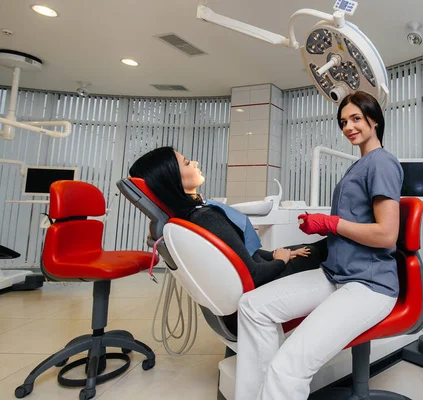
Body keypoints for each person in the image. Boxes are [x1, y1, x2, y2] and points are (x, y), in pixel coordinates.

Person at [235, 91, 404, 400]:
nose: (349, 127)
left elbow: (386, 235)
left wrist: (329, 223)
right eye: (343, 122)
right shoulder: (360, 164)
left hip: (369, 284)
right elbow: (351, 226)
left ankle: (278, 385)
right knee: (252, 307)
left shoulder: (383, 163)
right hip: (337, 274)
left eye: (355, 118)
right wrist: (317, 230)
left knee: (286, 367)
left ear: (374, 119)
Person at [128, 146, 326, 290]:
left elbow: (244, 257)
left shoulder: (195, 216)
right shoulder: (206, 218)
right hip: (269, 278)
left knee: (320, 246)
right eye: (187, 162)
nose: (195, 163)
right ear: (171, 179)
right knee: (333, 245)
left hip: (266, 265)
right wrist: (281, 261)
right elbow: (254, 276)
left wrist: (275, 255)